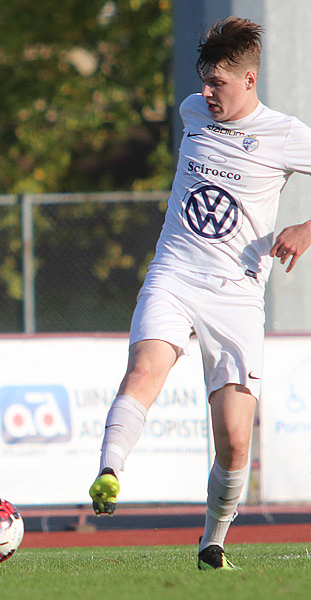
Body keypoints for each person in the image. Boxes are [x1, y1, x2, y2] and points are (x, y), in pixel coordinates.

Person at [88, 17, 311, 571]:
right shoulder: (192, 112)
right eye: (204, 81)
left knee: (235, 441)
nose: (205, 93)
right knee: (145, 369)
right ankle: (109, 473)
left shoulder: (285, 134)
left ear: (250, 79)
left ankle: (212, 542)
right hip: (175, 274)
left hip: (237, 296)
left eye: (219, 83)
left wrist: (308, 228)